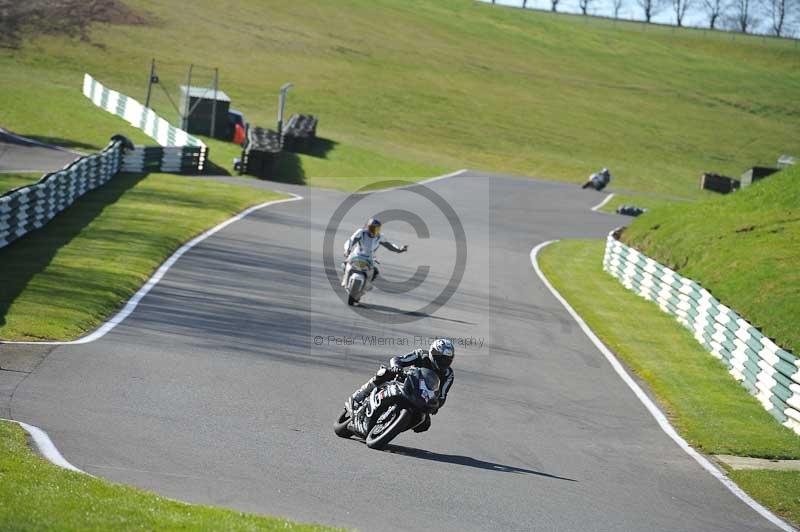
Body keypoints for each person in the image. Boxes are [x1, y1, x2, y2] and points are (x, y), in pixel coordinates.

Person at [347, 339, 455, 433]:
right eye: (442, 358)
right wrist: (396, 367)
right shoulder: (421, 354)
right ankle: (359, 395)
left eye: (447, 360)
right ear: (433, 352)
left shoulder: (448, 374)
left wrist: (436, 406)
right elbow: (398, 359)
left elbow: (442, 395)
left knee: (423, 424)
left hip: (422, 397)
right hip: (406, 382)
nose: (444, 362)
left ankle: (390, 428)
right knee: (385, 373)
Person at [342, 218, 407, 287]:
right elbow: (351, 241)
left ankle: (366, 286)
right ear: (368, 227)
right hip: (356, 255)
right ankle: (345, 278)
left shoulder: (380, 237)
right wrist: (347, 249)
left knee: (375, 272)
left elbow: (389, 245)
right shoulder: (361, 233)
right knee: (344, 264)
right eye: (372, 228)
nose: (374, 231)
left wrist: (399, 249)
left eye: (377, 229)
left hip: (370, 259)